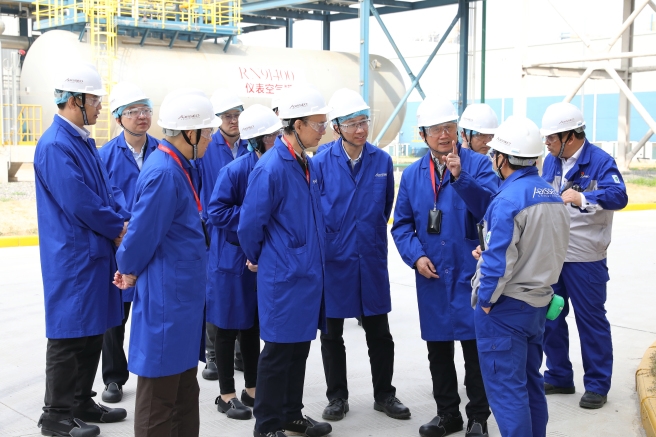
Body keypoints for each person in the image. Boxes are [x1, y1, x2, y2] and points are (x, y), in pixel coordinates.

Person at [113, 89, 220, 437]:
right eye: (207, 132)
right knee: (159, 395)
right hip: (167, 300)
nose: (211, 139)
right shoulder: (165, 173)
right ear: (189, 133)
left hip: (182, 298)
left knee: (184, 389)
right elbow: (140, 235)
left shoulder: (179, 165)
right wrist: (127, 269)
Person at [391, 95, 496, 437]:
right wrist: (416, 256)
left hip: (470, 272)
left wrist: (460, 177)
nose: (444, 135)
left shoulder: (478, 165)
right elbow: (402, 225)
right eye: (436, 129)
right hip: (433, 274)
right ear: (422, 134)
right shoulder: (413, 175)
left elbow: (492, 208)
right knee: (438, 349)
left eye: (449, 127)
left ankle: (478, 417)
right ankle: (447, 414)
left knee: (474, 350)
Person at [34, 63, 128, 437]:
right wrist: (117, 227)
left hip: (92, 251)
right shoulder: (56, 145)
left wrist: (123, 220)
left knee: (92, 330)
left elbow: (106, 192)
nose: (100, 107)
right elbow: (79, 202)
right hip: (73, 256)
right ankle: (55, 416)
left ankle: (80, 402)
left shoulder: (81, 140)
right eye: (95, 100)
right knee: (68, 334)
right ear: (75, 101)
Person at [238, 84, 332, 437]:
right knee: (277, 353)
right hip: (284, 276)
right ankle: (267, 425)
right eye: (318, 124)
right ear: (297, 125)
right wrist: (260, 258)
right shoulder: (271, 167)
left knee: (298, 350)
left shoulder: (307, 162)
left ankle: (292, 414)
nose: (323, 130)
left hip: (307, 275)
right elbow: (250, 225)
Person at [313, 88, 409, 422]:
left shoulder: (381, 161)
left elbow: (385, 207)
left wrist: (366, 234)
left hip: (370, 257)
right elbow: (315, 210)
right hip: (333, 259)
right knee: (332, 334)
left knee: (379, 332)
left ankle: (385, 395)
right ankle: (337, 397)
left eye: (364, 121)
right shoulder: (320, 163)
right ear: (336, 127)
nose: (360, 129)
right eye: (352, 123)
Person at [471, 116, 570, 437]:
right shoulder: (551, 195)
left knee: (507, 391)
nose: (492, 159)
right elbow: (541, 247)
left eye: (494, 154)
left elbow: (499, 263)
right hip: (538, 304)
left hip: (505, 307)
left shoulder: (507, 200)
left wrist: (486, 300)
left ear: (503, 158)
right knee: (530, 385)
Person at [540, 102, 628, 409]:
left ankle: (597, 385)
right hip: (554, 255)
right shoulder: (551, 161)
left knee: (590, 320)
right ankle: (559, 376)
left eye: (551, 137)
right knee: (550, 317)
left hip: (586, 258)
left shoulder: (600, 161)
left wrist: (582, 197)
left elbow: (619, 196)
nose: (547, 142)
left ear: (570, 135)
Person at [206, 104, 281, 420]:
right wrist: (251, 217)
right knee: (226, 328)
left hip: (258, 258)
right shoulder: (235, 171)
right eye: (274, 135)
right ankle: (226, 395)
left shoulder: (276, 166)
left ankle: (252, 389)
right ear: (260, 140)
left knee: (252, 326)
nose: (279, 139)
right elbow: (216, 211)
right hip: (231, 262)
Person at [98, 82, 159, 404]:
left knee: (153, 312)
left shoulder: (162, 152)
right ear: (119, 118)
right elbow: (101, 199)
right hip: (120, 245)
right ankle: (113, 378)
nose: (141, 116)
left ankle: (153, 373)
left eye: (146, 110)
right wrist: (121, 229)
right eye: (133, 111)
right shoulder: (104, 156)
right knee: (116, 317)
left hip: (155, 247)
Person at [198, 89, 249, 380]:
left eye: (237, 115)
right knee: (214, 294)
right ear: (217, 119)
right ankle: (213, 356)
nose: (233, 120)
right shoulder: (207, 146)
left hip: (245, 231)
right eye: (227, 116)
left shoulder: (251, 145)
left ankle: (241, 354)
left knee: (244, 291)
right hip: (213, 232)